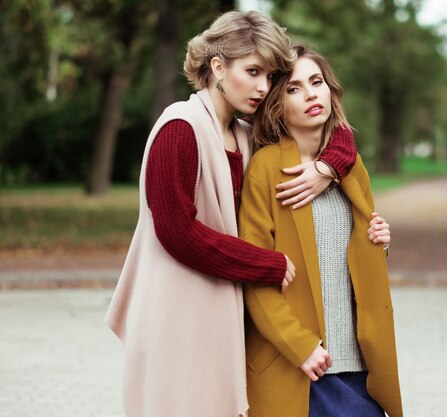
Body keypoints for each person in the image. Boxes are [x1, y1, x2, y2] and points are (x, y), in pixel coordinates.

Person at [105, 11, 357, 417]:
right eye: (253, 71)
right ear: (218, 67)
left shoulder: (247, 132)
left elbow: (331, 126)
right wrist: (265, 263)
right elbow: (176, 232)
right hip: (176, 315)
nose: (263, 87)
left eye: (271, 77)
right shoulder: (180, 128)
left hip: (223, 316)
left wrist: (328, 168)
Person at [239, 44, 403, 417]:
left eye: (317, 81)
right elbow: (255, 272)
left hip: (361, 362)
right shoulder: (266, 168)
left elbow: (353, 244)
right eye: (294, 88)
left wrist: (379, 240)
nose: (311, 93)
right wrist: (301, 346)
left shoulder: (350, 164)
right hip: (304, 365)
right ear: (278, 104)